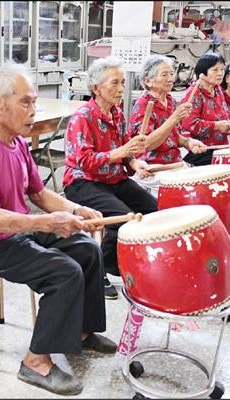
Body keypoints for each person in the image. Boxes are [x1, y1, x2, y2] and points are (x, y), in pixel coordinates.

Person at [0, 62, 118, 396]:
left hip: (15, 229)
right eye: (25, 102)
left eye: (33, 102)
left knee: (87, 249)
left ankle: (82, 332)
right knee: (64, 272)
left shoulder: (17, 142)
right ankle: (35, 362)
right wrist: (46, 223)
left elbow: (38, 193)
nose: (33, 111)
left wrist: (77, 209)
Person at [62, 56, 158, 301]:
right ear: (96, 88)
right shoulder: (82, 117)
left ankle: (125, 262)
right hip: (83, 182)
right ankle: (101, 270)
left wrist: (135, 162)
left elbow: (125, 149)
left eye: (123, 83)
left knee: (154, 211)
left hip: (113, 179)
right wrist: (121, 153)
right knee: (123, 219)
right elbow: (85, 161)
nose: (120, 89)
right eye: (114, 83)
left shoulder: (116, 114)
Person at [129, 54, 208, 166]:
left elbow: (171, 136)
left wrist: (188, 142)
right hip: (150, 165)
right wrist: (174, 118)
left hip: (174, 162)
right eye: (164, 74)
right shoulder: (144, 104)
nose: (171, 79)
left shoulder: (169, 100)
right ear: (148, 81)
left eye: (171, 73)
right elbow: (147, 144)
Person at [180, 52, 230, 166]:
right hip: (200, 149)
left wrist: (229, 127)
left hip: (219, 146)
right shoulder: (194, 93)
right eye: (215, 70)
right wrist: (217, 126)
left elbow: (223, 117)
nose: (220, 73)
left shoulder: (217, 90)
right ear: (202, 72)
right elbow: (190, 124)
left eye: (222, 69)